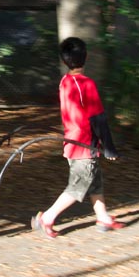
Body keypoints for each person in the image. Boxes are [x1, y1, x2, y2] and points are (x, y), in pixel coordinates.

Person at [31, 37, 125, 238]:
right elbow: (98, 118)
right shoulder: (86, 83)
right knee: (77, 187)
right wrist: (109, 147)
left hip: (73, 143)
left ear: (64, 60)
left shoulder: (65, 81)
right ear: (86, 57)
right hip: (83, 145)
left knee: (94, 182)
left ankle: (103, 218)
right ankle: (46, 218)